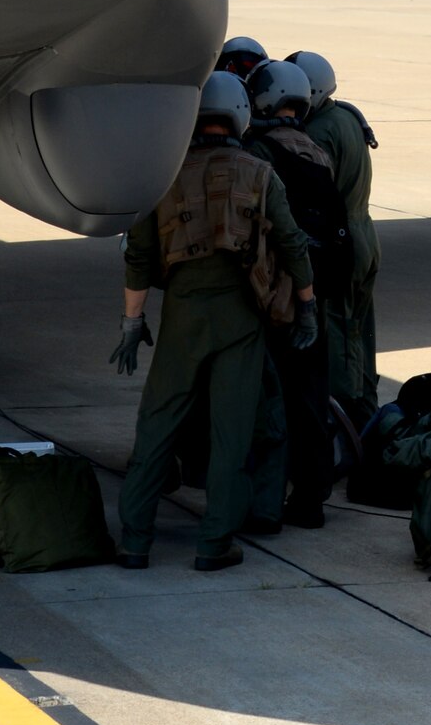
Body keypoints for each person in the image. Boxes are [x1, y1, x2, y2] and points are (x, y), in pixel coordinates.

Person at [111, 72, 316, 571]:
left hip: (182, 313)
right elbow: (292, 243)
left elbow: (137, 256)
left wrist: (132, 324)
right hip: (239, 318)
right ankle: (214, 542)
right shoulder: (259, 173)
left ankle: (135, 540)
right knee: (232, 433)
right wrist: (306, 304)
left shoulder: (161, 175)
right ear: (241, 115)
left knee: (157, 425)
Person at [243, 60, 345, 529]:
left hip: (272, 294)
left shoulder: (259, 152)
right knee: (310, 394)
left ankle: (262, 496)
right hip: (314, 292)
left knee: (266, 394)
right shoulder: (317, 151)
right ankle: (311, 495)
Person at [292, 49, 382, 427]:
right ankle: (368, 415)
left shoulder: (319, 133)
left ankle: (347, 428)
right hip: (364, 236)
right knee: (360, 331)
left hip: (340, 244)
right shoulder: (346, 116)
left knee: (339, 336)